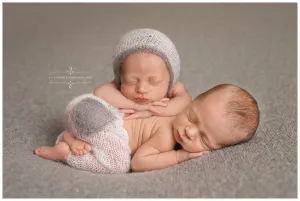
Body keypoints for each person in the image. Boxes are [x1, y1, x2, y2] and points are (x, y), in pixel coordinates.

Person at [34, 84, 260, 173]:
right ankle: (65, 153)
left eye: (204, 139)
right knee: (119, 164)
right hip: (108, 130)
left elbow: (182, 96)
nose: (189, 132)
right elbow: (138, 162)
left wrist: (178, 91)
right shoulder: (165, 139)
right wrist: (179, 156)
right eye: (192, 117)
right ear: (190, 104)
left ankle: (71, 137)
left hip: (94, 114)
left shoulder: (175, 111)